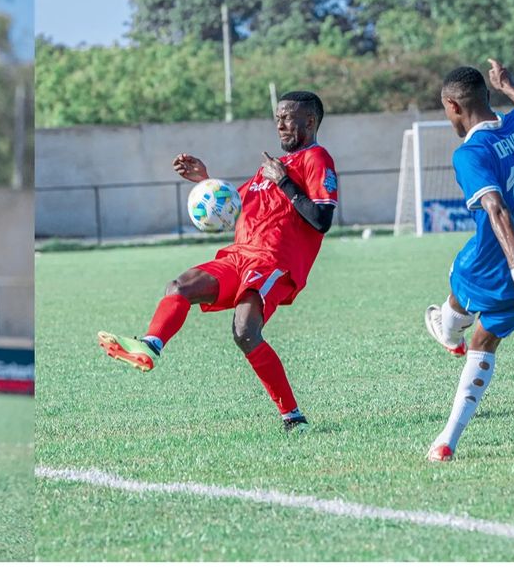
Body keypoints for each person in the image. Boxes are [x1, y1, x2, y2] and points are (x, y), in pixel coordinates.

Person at [97, 92, 339, 431]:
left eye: (288, 117)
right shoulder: (268, 170)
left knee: (245, 331)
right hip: (238, 256)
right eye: (277, 118)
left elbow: (322, 219)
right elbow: (233, 208)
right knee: (179, 286)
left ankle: (293, 417)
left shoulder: (315, 158)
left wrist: (284, 180)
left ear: (310, 122)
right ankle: (150, 345)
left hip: (273, 262)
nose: (280, 124)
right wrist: (205, 181)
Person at [423, 60, 514, 462]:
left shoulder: (470, 153)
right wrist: (510, 87)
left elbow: (496, 207)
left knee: (458, 281)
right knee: (484, 342)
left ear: (453, 106)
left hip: (495, 265)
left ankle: (448, 333)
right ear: (486, 95)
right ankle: (446, 441)